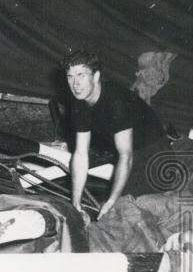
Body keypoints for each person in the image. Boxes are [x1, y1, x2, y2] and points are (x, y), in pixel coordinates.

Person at [63, 50, 171, 219]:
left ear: (96, 76)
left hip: (154, 153)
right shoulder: (79, 103)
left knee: (124, 209)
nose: (75, 84)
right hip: (128, 151)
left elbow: (126, 156)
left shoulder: (115, 101)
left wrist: (112, 201)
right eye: (70, 77)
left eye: (81, 75)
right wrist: (75, 202)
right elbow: (80, 154)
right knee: (111, 208)